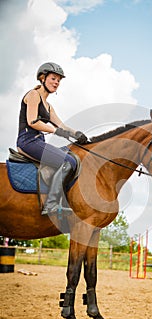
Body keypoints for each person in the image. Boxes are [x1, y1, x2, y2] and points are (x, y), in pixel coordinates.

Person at [16, 62, 87, 216]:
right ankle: (51, 204)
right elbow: (32, 121)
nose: (56, 82)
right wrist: (56, 131)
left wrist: (77, 134)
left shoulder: (48, 106)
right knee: (69, 162)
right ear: (43, 78)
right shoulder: (33, 95)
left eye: (59, 80)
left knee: (71, 154)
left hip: (38, 141)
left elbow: (61, 125)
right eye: (53, 78)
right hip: (28, 141)